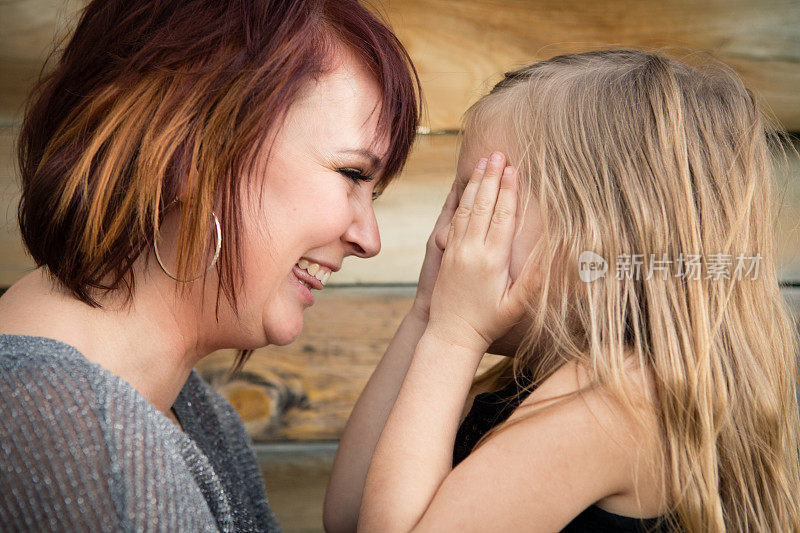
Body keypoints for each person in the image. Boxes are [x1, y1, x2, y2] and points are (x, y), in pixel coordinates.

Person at [325, 49, 800, 532]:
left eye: (480, 203)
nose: (448, 235)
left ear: (596, 233)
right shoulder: (518, 383)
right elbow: (347, 514)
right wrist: (427, 314)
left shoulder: (616, 401)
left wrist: (451, 336)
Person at [0, 0, 421, 530]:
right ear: (195, 145)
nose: (368, 239)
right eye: (353, 173)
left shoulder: (198, 417)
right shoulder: (89, 439)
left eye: (374, 193)